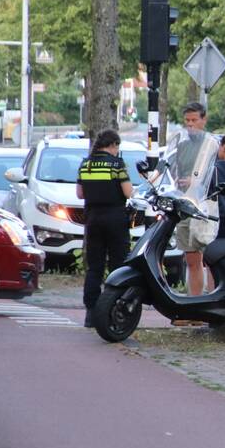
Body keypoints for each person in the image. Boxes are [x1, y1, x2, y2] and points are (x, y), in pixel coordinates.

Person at [77, 129, 133, 327]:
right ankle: (113, 309)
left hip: (93, 219)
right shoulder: (117, 164)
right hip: (115, 218)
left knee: (95, 267)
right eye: (117, 147)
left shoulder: (86, 164)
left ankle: (91, 313)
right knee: (118, 265)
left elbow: (80, 194)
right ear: (113, 145)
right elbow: (128, 192)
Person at [173, 102, 217, 295]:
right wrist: (178, 181)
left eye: (194, 120)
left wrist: (198, 180)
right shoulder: (181, 145)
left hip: (206, 208)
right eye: (187, 120)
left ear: (203, 120)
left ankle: (212, 301)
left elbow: (215, 173)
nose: (190, 124)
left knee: (211, 260)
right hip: (186, 205)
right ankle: (194, 301)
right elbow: (176, 170)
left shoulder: (212, 144)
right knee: (191, 259)